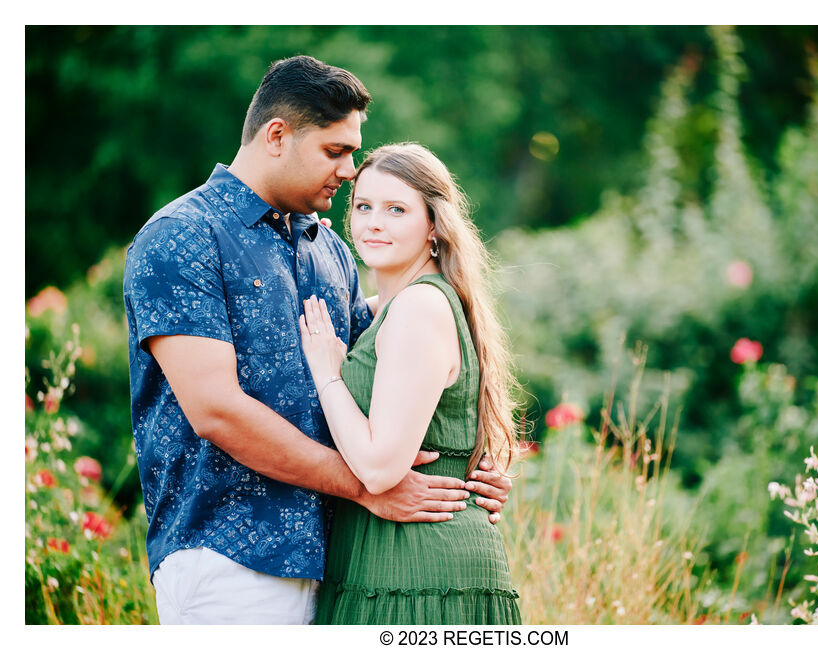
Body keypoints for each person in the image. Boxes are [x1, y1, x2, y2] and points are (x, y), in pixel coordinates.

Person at [122, 56, 512, 625]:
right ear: (276, 136)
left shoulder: (325, 247)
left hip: (346, 562)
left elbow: (384, 366)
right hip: (233, 558)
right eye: (335, 151)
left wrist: (471, 466)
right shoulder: (182, 238)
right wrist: (367, 487)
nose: (351, 170)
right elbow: (217, 412)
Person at [300, 143, 521, 624]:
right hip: (380, 558)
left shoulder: (420, 309)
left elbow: (380, 470)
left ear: (434, 227)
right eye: (363, 206)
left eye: (396, 209)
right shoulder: (390, 312)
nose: (373, 222)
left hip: (419, 570)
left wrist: (327, 374)